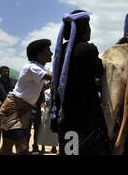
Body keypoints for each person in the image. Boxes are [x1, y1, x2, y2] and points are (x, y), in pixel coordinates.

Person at [51, 10, 111, 155]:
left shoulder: (61, 50)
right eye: (88, 26)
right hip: (86, 115)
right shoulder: (88, 49)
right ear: (82, 29)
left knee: (70, 151)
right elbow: (99, 71)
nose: (90, 30)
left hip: (66, 115)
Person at [0, 39, 53, 155]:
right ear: (39, 53)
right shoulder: (32, 67)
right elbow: (52, 77)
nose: (51, 53)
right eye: (48, 50)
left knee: (6, 148)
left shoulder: (42, 69)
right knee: (22, 147)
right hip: (12, 108)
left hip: (23, 109)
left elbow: (47, 84)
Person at [37, 87, 58, 154]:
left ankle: (54, 147)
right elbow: (43, 103)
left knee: (54, 130)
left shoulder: (57, 91)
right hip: (47, 111)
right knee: (43, 129)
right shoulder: (46, 92)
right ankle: (43, 147)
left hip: (54, 112)